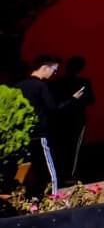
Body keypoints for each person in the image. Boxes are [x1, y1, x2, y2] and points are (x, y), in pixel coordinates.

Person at [16, 56, 66, 196]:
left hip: (23, 137)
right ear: (44, 67)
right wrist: (71, 101)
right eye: (54, 70)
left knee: (26, 171)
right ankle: (53, 199)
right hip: (39, 135)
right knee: (48, 171)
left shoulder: (18, 86)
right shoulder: (41, 86)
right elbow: (52, 108)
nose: (55, 74)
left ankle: (28, 200)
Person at [57, 56, 93, 181]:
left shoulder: (58, 82)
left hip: (61, 119)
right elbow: (90, 100)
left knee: (61, 146)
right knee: (74, 149)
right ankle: (70, 175)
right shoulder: (83, 83)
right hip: (77, 119)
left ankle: (59, 173)